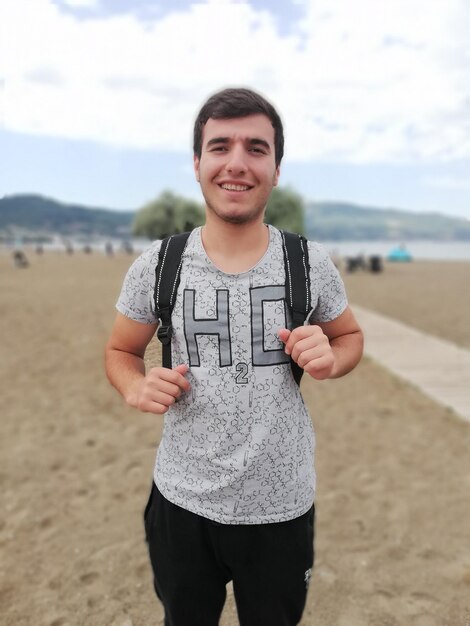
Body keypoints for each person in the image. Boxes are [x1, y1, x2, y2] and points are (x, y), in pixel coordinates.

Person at [105, 87, 363, 626]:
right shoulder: (159, 264)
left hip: (283, 506)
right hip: (181, 502)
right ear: (198, 163)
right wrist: (134, 385)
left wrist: (332, 358)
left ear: (276, 168)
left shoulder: (307, 262)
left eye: (257, 148)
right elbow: (121, 350)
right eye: (220, 146)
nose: (237, 163)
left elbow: (349, 338)